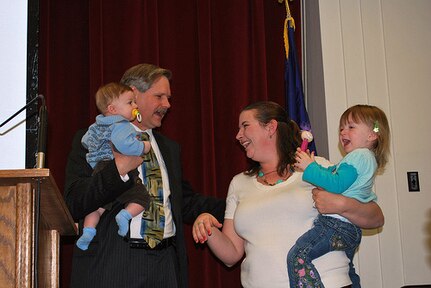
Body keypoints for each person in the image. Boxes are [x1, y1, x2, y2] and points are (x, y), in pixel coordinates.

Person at [64, 63, 225, 288]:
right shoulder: (93, 139)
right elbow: (75, 201)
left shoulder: (168, 148)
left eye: (168, 98)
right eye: (159, 96)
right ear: (133, 95)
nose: (167, 105)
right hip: (113, 265)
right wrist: (117, 170)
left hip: (165, 264)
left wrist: (238, 207)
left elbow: (184, 201)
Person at [192, 101, 384, 288]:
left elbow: (376, 218)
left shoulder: (315, 167)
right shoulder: (238, 183)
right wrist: (207, 227)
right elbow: (231, 255)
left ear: (270, 127)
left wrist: (341, 204)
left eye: (245, 126)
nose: (238, 135)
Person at [289, 104, 390, 288]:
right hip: (349, 228)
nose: (343, 132)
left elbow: (335, 185)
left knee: (298, 256)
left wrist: (309, 168)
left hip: (335, 225)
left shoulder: (358, 156)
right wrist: (311, 165)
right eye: (342, 127)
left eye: (351, 127)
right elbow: (331, 174)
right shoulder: (362, 158)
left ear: (372, 135)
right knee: (348, 270)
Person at [76, 82, 152, 251]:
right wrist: (143, 147)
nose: (135, 106)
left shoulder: (96, 125)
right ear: (112, 109)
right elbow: (124, 145)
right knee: (142, 198)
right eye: (130, 102)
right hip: (116, 167)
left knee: (98, 206)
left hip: (99, 169)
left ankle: (88, 230)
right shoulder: (121, 125)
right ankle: (125, 215)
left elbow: (86, 141)